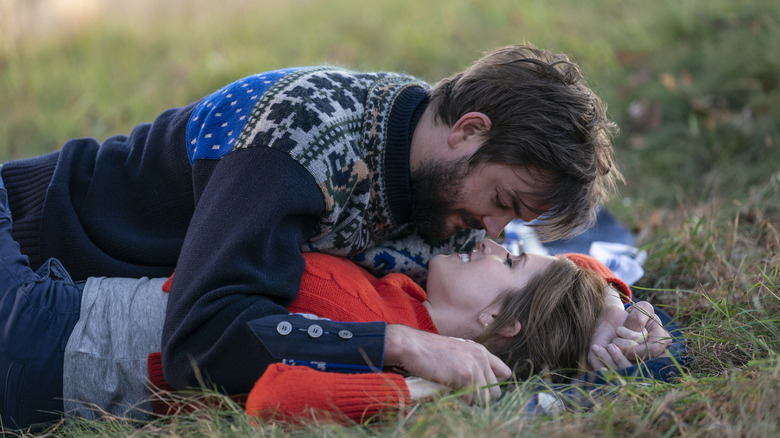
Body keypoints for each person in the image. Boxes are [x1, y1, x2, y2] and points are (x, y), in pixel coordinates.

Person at [1, 44, 659, 403]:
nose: (491, 234)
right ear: (468, 131)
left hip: (66, 288)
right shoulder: (300, 145)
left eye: (511, 226)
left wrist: (606, 303)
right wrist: (400, 345)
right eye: (504, 204)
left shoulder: (436, 177)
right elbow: (199, 341)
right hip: (25, 241)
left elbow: (528, 277)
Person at [0, 173, 654, 428]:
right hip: (60, 305)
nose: (492, 244)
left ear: (497, 323)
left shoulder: (387, 344)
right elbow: (560, 272)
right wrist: (610, 308)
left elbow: (274, 398)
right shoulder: (406, 298)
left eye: (507, 260)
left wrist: (413, 376)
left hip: (44, 345)